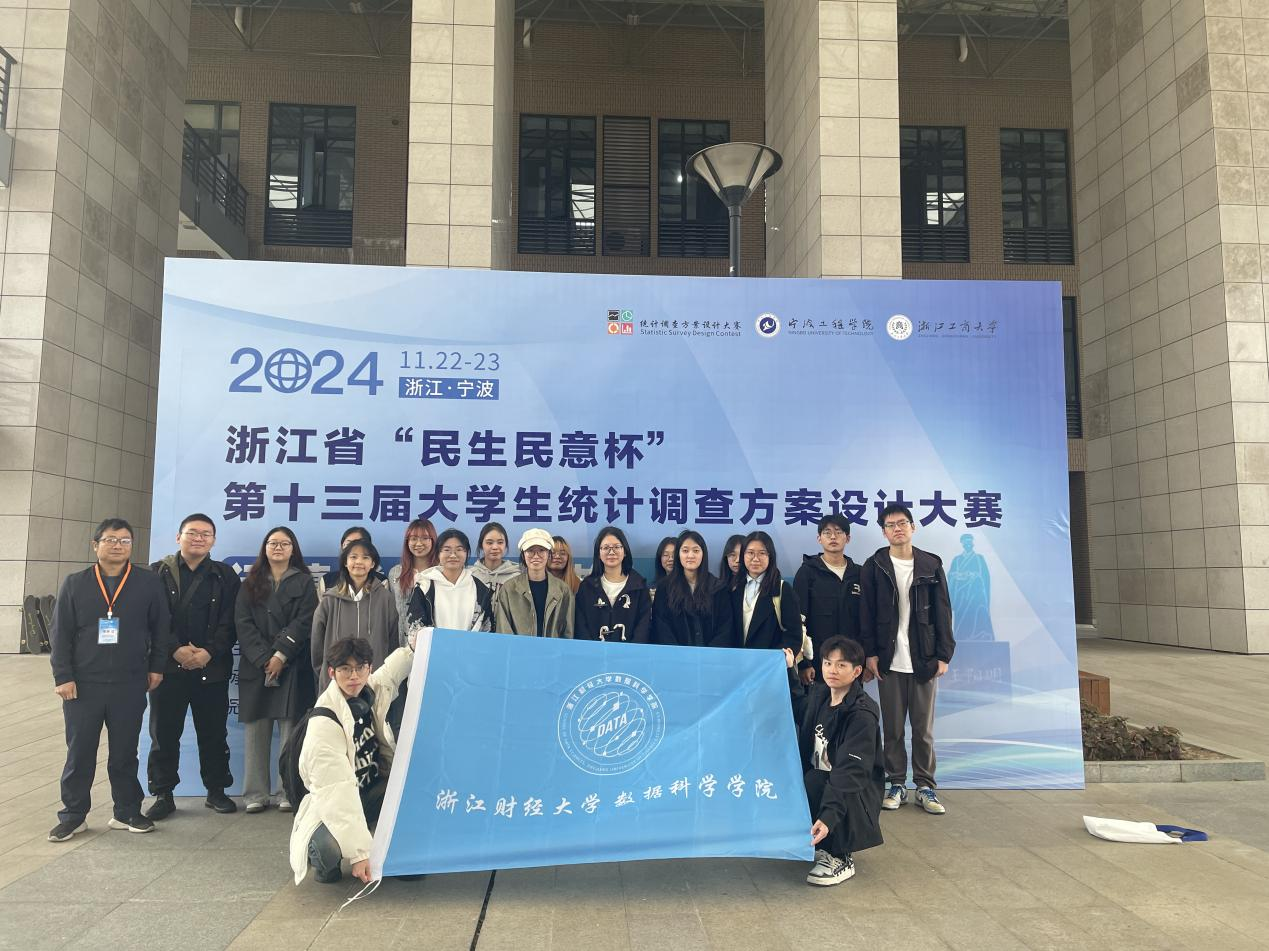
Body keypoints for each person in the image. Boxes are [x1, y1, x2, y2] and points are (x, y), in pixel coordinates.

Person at [48, 518, 175, 841]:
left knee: (125, 752)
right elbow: (60, 634)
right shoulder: (75, 583)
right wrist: (63, 676)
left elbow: (161, 629)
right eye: (110, 540)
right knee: (80, 752)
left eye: (124, 541)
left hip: (129, 682)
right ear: (96, 545)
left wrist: (157, 667)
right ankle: (73, 815)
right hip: (83, 684)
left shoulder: (147, 583)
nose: (117, 546)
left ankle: (127, 811)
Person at [289, 636, 415, 885]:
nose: (354, 676)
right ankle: (322, 863)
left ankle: (398, 853)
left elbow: (390, 674)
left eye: (360, 668)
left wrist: (412, 648)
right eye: (345, 669)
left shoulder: (369, 692)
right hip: (331, 802)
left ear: (369, 668)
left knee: (408, 792)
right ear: (332, 672)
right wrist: (360, 855)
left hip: (370, 790)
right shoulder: (324, 723)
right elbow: (338, 793)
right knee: (328, 849)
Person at [144, 513, 242, 821]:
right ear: (178, 537)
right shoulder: (157, 573)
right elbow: (152, 619)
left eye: (205, 534)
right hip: (168, 670)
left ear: (213, 540)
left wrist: (209, 652)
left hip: (211, 669)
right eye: (192, 533)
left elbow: (232, 621)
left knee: (213, 733)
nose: (199, 538)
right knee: (164, 733)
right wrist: (175, 649)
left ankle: (216, 790)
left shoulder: (225, 575)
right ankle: (163, 794)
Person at [859, 503, 955, 816]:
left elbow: (943, 611)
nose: (897, 529)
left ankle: (925, 786)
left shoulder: (930, 564)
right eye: (890, 525)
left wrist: (944, 654)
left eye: (902, 523)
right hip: (889, 660)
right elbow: (866, 614)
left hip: (924, 659)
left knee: (923, 730)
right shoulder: (874, 565)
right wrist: (870, 654)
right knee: (893, 729)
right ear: (883, 532)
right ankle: (897, 783)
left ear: (913, 527)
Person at [235, 526, 318, 814]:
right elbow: (243, 624)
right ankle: (255, 793)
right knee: (255, 733)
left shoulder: (304, 582)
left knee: (290, 734)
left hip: (292, 665)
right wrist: (264, 658)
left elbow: (305, 621)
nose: (278, 547)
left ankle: (288, 790)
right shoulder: (250, 582)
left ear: (293, 549)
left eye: (285, 543)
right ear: (265, 547)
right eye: (273, 543)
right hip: (256, 666)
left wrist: (281, 654)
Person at [800, 636, 883, 886]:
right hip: (824, 781)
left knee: (820, 780)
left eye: (841, 665)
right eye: (827, 663)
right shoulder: (820, 696)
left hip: (853, 792)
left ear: (856, 672)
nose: (832, 670)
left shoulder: (862, 714)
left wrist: (829, 816)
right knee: (811, 778)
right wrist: (788, 666)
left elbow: (851, 771)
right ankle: (822, 844)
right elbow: (793, 703)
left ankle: (840, 856)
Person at [311, 539, 399, 691]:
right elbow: (316, 644)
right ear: (345, 562)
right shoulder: (330, 600)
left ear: (373, 564)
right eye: (353, 557)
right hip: (335, 684)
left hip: (375, 681)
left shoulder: (385, 599)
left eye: (365, 557)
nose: (359, 562)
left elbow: (393, 641)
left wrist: (386, 675)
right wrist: (326, 673)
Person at [793, 514, 862, 686]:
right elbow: (797, 620)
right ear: (819, 538)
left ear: (848, 538)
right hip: (817, 662)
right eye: (827, 532)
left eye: (838, 532)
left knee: (852, 702)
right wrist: (803, 663)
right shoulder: (807, 572)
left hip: (852, 661)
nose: (833, 537)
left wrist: (865, 660)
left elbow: (867, 620)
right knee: (818, 702)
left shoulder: (860, 574)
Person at [724, 531, 803, 653]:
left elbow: (794, 636)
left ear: (770, 557)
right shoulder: (733, 588)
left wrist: (774, 658)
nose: (755, 559)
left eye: (762, 553)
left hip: (769, 661)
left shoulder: (782, 589)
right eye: (750, 553)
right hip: (737, 659)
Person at [649, 531, 732, 647]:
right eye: (685, 551)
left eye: (696, 551)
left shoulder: (718, 588)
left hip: (712, 655)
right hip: (674, 655)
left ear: (703, 554)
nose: (690, 556)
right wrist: (678, 653)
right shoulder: (664, 588)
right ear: (678, 555)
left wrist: (710, 653)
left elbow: (725, 627)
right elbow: (661, 627)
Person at [405, 529, 494, 634]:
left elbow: (487, 629)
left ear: (466, 553)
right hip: (434, 645)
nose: (453, 555)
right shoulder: (425, 586)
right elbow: (414, 628)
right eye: (447, 550)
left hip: (470, 645)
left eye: (459, 549)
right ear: (438, 554)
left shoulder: (481, 589)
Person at [574, 527, 651, 642]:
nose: (611, 552)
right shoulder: (587, 587)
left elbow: (643, 625)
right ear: (598, 553)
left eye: (616, 547)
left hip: (630, 652)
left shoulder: (639, 586)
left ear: (625, 551)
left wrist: (632, 650)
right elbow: (580, 625)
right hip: (593, 651)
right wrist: (591, 649)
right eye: (606, 548)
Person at [492, 528, 574, 637]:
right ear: (523, 555)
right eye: (530, 550)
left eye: (542, 550)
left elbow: (568, 633)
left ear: (549, 554)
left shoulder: (563, 590)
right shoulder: (508, 589)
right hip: (518, 648)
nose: (536, 556)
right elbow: (503, 632)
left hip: (553, 649)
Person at [387, 518, 438, 635]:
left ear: (433, 540)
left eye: (425, 538)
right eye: (414, 538)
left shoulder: (441, 572)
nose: (419, 543)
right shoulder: (395, 573)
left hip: (434, 638)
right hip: (403, 640)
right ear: (407, 542)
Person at [319, 526, 386, 593]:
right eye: (349, 544)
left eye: (359, 543)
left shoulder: (382, 582)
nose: (358, 561)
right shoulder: (327, 581)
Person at [471, 522, 521, 594]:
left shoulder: (516, 576)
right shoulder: (471, 575)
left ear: (505, 545)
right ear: (481, 545)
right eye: (489, 543)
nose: (495, 547)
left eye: (500, 542)